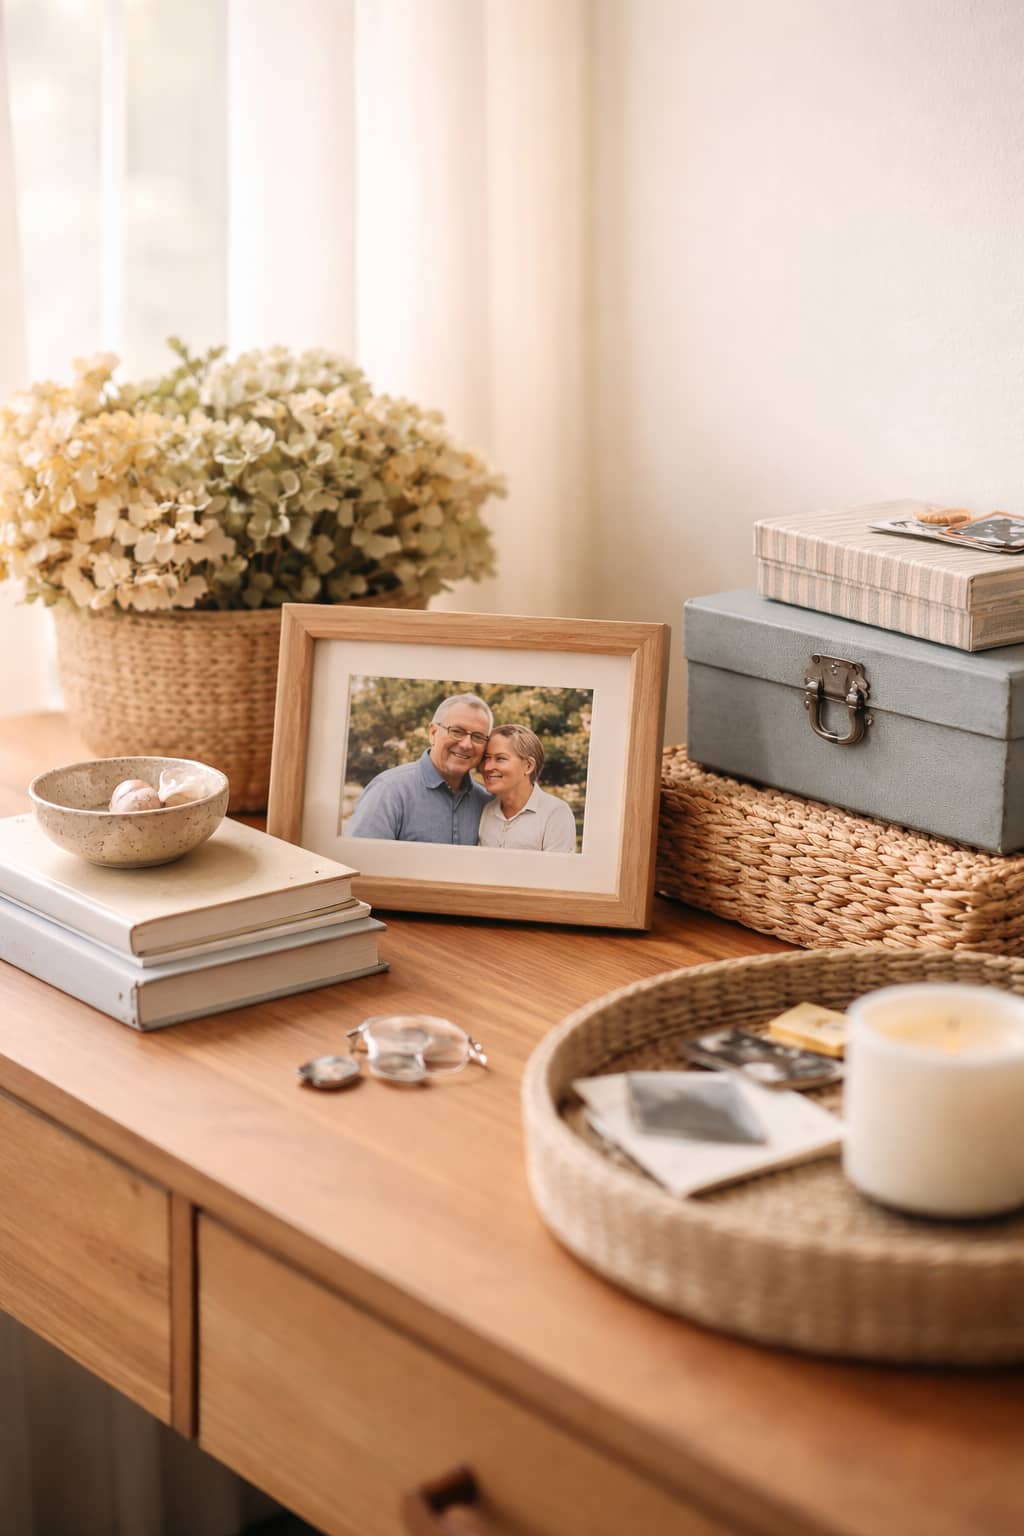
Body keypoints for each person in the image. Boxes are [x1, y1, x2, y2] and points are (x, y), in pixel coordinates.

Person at [348, 693, 493, 843]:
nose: (466, 744)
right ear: (433, 733)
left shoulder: (486, 801)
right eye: (457, 731)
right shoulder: (388, 791)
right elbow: (357, 861)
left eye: (478, 737)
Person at [477, 725, 578, 853]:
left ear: (528, 766)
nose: (487, 767)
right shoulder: (487, 810)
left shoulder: (555, 813)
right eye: (486, 758)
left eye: (500, 759)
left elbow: (557, 871)